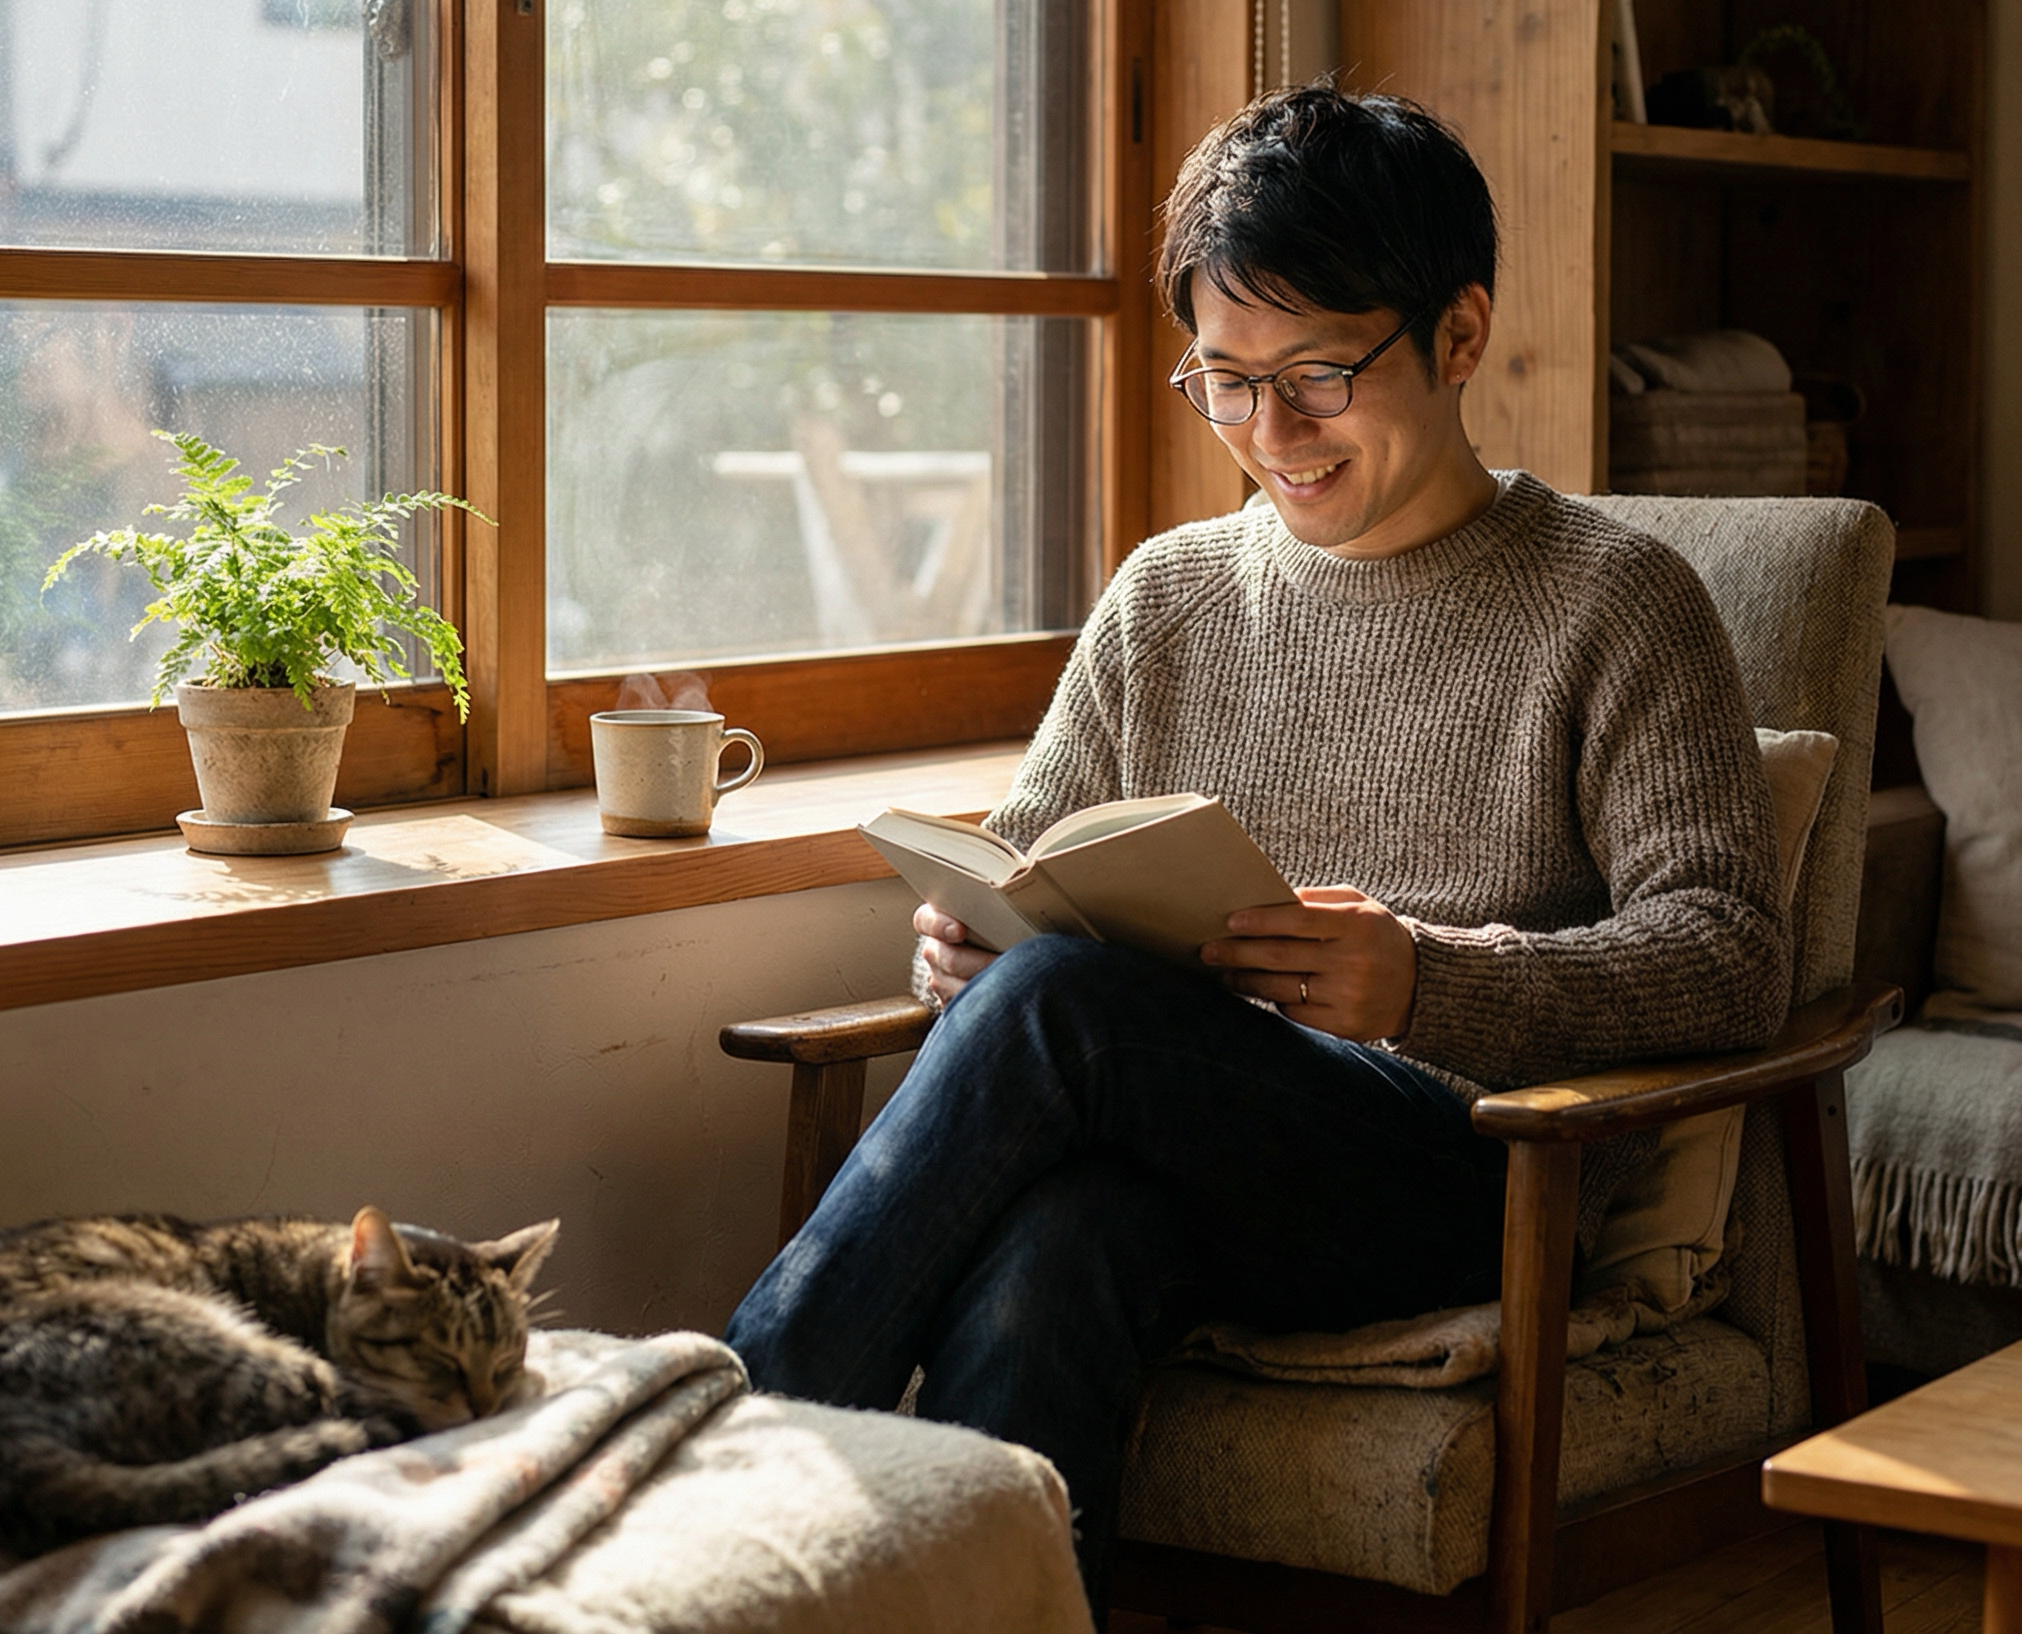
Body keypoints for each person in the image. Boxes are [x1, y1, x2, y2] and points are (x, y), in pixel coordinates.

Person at [723, 82, 1790, 1615]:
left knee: (1057, 1018)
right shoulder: (1170, 596)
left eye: (1318, 376)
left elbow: (1731, 955)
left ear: (1461, 335)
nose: (1269, 436)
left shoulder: (1614, 603)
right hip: (1184, 1163)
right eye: (1223, 382)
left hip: (1467, 1172)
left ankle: (709, 1459)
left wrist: (1427, 982)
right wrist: (958, 947)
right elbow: (1030, 867)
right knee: (1058, 1245)